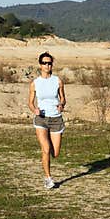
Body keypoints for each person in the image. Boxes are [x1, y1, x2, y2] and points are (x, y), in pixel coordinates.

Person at [28, 52, 66, 188]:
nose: (47, 65)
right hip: (41, 119)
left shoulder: (58, 81)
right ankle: (48, 178)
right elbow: (30, 102)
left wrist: (61, 105)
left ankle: (49, 146)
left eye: (49, 63)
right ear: (40, 65)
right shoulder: (35, 83)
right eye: (44, 63)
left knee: (55, 153)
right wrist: (34, 110)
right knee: (45, 149)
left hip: (56, 119)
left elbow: (63, 98)